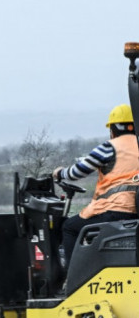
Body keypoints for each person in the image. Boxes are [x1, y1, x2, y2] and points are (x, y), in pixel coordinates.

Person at [52, 104, 139, 267]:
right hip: (135, 212)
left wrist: (59, 173)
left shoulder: (110, 147)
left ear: (113, 129)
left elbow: (76, 172)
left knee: (69, 227)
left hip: (114, 211)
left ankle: (72, 277)